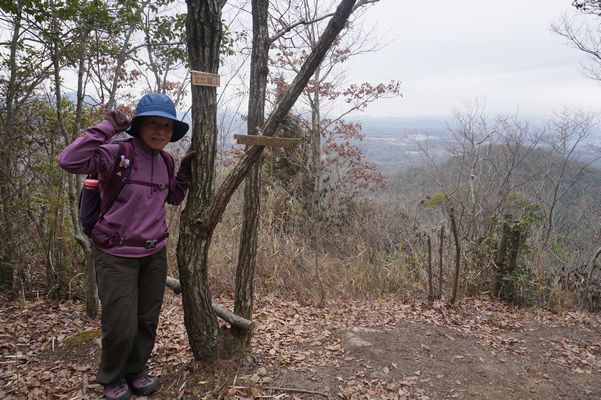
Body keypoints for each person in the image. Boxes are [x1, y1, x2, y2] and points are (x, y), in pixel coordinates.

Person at [58, 93, 194, 400]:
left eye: (167, 126)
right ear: (139, 126)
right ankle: (112, 376)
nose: (160, 132)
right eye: (153, 124)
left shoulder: (165, 160)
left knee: (146, 321)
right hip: (116, 255)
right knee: (120, 324)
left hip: (154, 254)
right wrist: (107, 126)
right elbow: (69, 160)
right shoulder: (117, 153)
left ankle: (135, 370)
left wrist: (185, 168)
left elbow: (173, 197)